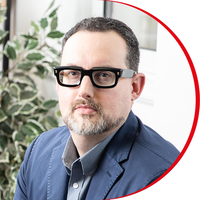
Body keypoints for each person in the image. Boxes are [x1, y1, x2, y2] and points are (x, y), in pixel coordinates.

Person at [14, 17, 180, 200]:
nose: (84, 91)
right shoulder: (38, 150)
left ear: (135, 87)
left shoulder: (165, 176)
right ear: (58, 84)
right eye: (72, 73)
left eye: (103, 75)